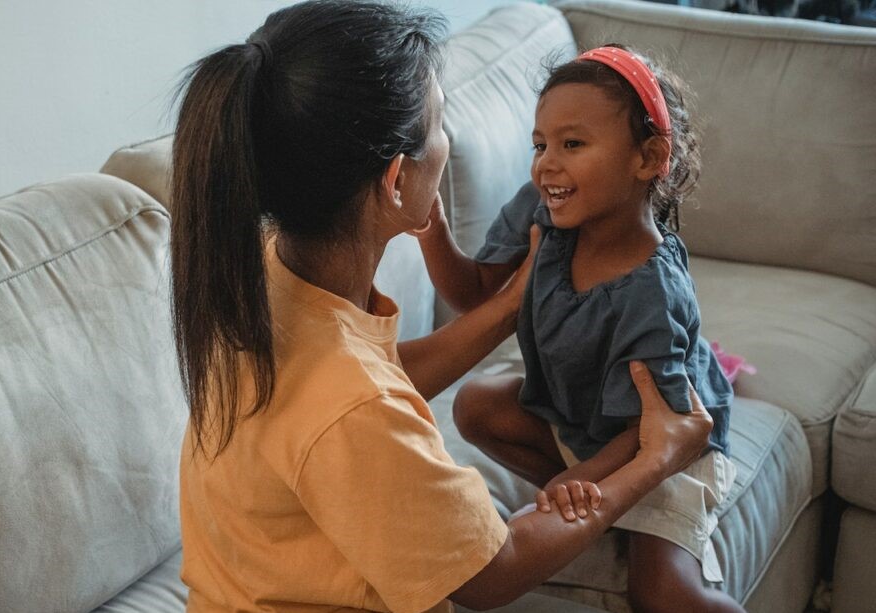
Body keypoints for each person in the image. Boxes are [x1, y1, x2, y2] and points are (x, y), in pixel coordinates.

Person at [170, 2, 713, 610]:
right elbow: (491, 574)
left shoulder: (262, 272)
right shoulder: (356, 410)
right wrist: (658, 456)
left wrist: (513, 303)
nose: (448, 143)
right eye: (440, 121)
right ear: (396, 179)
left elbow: (369, 381)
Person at [414, 45, 742, 611]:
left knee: (662, 593)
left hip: (660, 448)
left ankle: (620, 516)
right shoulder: (545, 207)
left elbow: (655, 430)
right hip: (579, 418)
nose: (546, 163)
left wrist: (586, 481)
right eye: (540, 144)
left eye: (572, 145)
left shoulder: (652, 292)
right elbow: (473, 295)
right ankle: (600, 511)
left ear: (648, 158)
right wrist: (431, 230)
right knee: (476, 405)